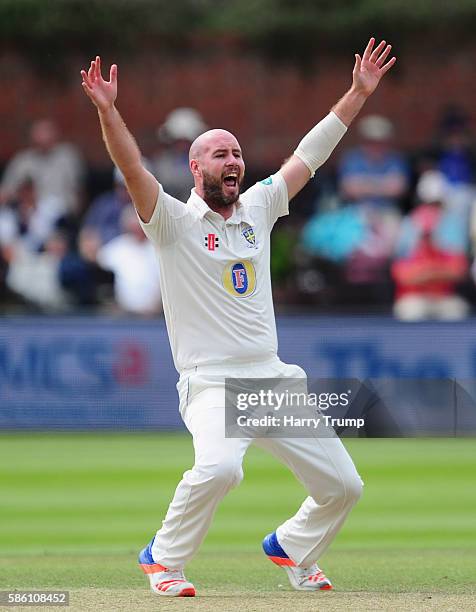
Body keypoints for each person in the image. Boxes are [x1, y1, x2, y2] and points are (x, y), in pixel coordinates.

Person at [81, 38, 396, 598]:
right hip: (210, 382)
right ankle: (163, 558)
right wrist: (109, 111)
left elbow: (309, 154)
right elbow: (130, 165)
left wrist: (355, 94)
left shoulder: (258, 208)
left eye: (237, 154)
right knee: (223, 470)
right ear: (195, 166)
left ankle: (293, 546)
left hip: (271, 378)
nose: (234, 162)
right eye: (221, 155)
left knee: (344, 485)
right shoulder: (171, 222)